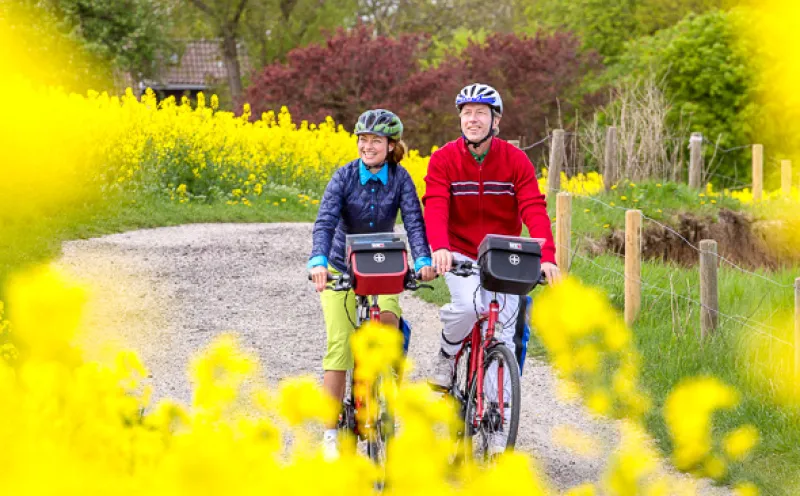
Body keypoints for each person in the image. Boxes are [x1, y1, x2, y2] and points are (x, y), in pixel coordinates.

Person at [422, 83, 561, 452]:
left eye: (481, 113)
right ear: (460, 120)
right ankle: (447, 355)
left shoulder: (515, 161)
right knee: (468, 307)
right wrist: (440, 248)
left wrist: (547, 257)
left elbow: (533, 208)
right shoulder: (444, 159)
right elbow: (435, 205)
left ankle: (497, 424)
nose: (473, 119)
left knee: (503, 336)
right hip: (461, 253)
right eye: (467, 113)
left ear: (495, 121)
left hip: (503, 255)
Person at [308, 109, 436, 460]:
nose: (367, 146)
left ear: (391, 145)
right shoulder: (345, 176)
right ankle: (330, 433)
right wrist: (318, 261)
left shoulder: (401, 178)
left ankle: (380, 385)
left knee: (389, 325)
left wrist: (422, 260)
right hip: (341, 268)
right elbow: (325, 221)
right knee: (340, 346)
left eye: (375, 140)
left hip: (382, 267)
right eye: (363, 140)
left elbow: (414, 222)